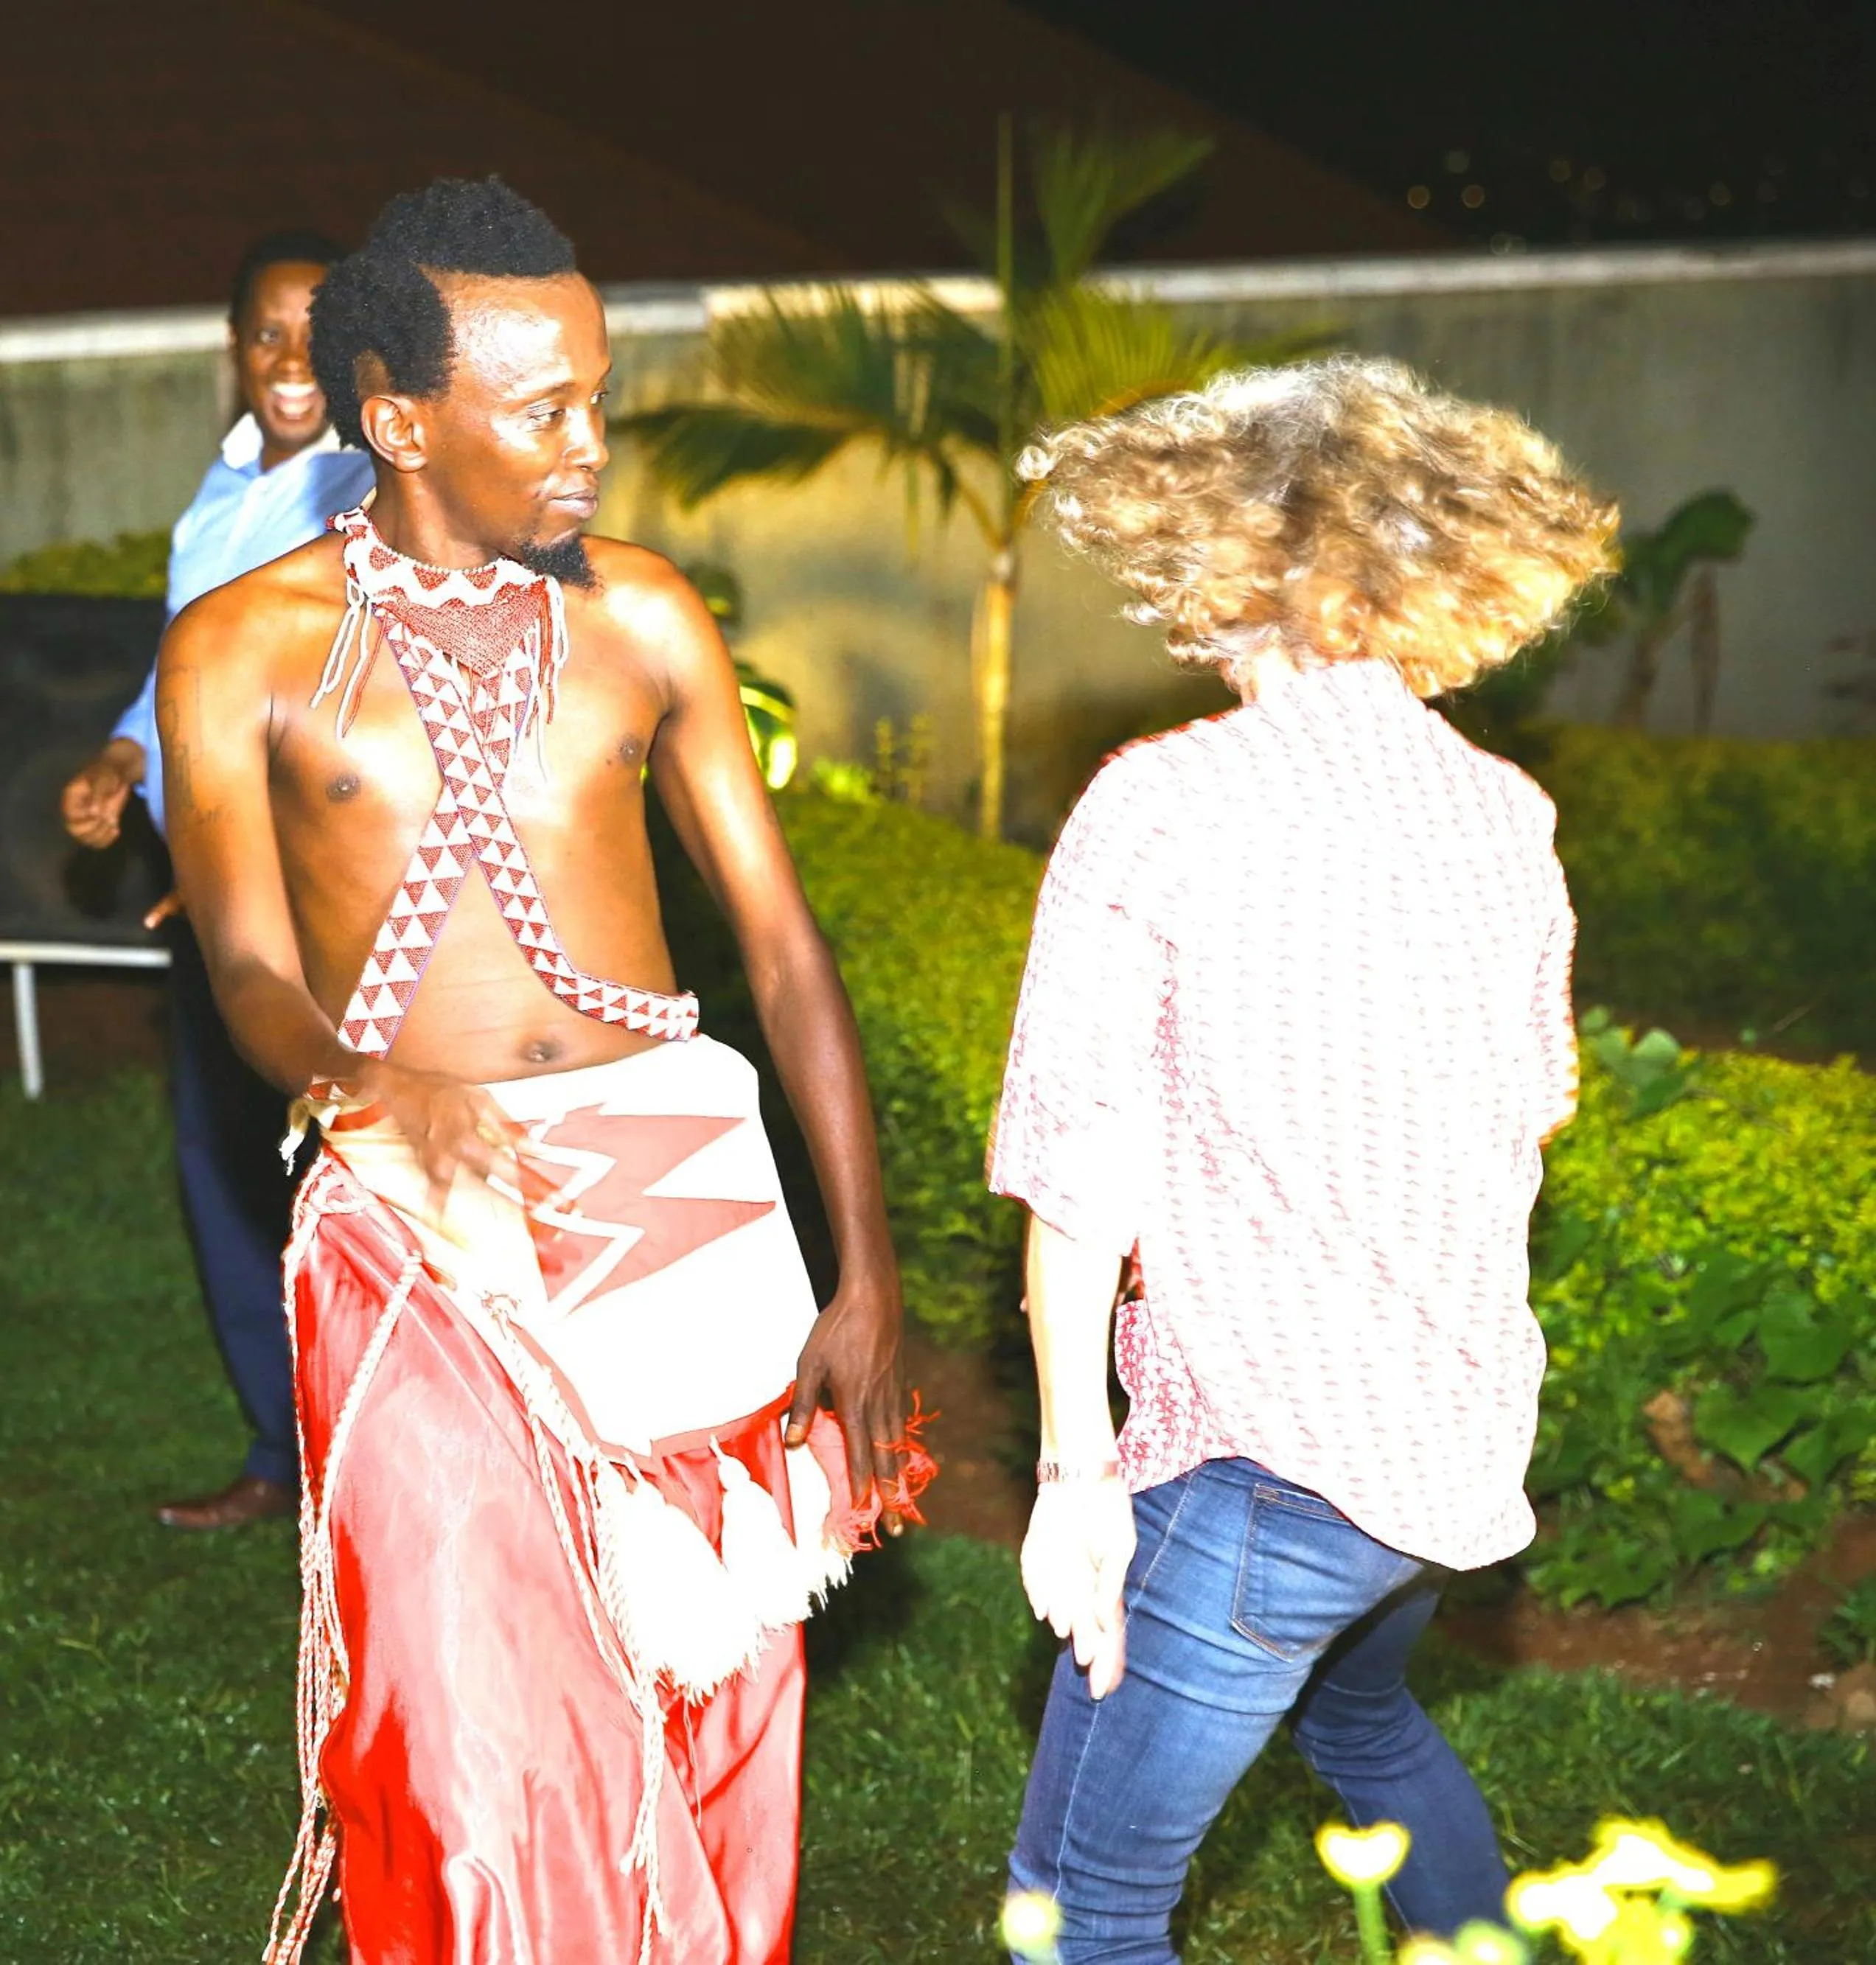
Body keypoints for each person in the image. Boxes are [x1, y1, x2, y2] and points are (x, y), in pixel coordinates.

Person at [156, 177, 927, 1965]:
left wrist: (867, 1268)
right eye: (546, 406)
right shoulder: (237, 649)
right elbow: (247, 965)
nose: (592, 441)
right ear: (398, 416)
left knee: (716, 1687)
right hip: (414, 1210)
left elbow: (790, 952)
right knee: (464, 1708)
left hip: (677, 1180)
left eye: (599, 393)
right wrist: (368, 1086)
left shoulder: (645, 618)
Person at [988, 358, 1615, 1961]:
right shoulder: (1506, 813)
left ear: (1228, 552)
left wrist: (1074, 1475)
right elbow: (1531, 1104)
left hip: (1261, 1462)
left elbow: (1077, 1167)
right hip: (1448, 1447)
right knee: (1369, 1729)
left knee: (1091, 1909)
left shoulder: (1166, 802)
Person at [60, 231, 374, 1530]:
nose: (287, 358)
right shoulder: (231, 479)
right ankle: (278, 1451)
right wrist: (128, 747)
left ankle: (368, 1463)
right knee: (223, 1161)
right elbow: (193, 662)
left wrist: (242, 851)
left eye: (313, 330)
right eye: (264, 332)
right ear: (235, 348)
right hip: (199, 873)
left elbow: (345, 690)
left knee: (340, 1174)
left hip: (302, 892)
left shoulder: (367, 484)